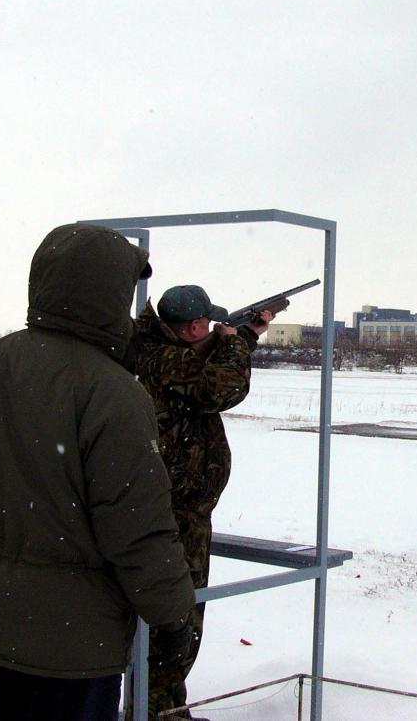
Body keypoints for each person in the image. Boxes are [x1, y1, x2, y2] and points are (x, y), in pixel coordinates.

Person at [0, 224, 196, 721]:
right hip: (75, 647)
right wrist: (173, 615)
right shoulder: (111, 392)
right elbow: (136, 529)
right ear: (108, 294)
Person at [134, 284, 272, 718]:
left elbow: (202, 377)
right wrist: (234, 344)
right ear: (194, 327)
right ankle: (158, 711)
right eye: (208, 324)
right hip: (174, 516)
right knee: (175, 626)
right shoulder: (163, 359)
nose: (213, 328)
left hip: (179, 511)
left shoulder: (162, 352)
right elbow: (220, 388)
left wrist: (245, 335)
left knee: (175, 625)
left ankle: (163, 708)